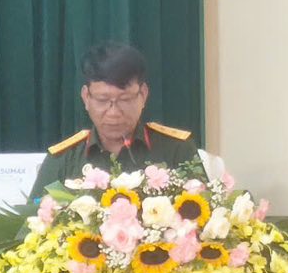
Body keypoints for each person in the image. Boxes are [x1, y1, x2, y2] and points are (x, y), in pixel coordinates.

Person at [29, 41, 197, 198]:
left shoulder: (177, 150)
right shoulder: (63, 159)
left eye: (125, 99)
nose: (114, 112)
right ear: (86, 97)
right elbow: (37, 217)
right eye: (102, 100)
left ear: (143, 95)